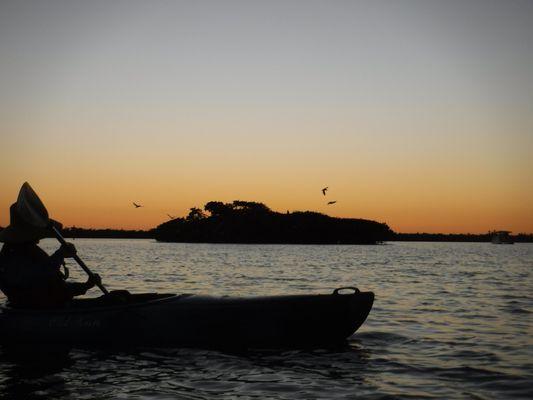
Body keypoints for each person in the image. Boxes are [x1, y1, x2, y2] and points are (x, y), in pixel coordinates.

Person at [0, 203, 100, 308]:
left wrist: (86, 285)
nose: (38, 240)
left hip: (47, 306)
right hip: (33, 309)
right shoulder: (13, 256)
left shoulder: (25, 250)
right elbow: (39, 276)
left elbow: (54, 285)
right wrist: (60, 254)